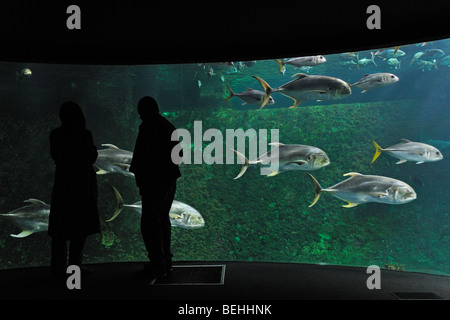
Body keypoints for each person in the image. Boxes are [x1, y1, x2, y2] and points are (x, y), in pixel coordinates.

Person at [129, 96, 182, 283]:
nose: (140, 116)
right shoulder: (169, 126)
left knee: (150, 224)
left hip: (153, 182)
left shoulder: (147, 127)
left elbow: (140, 157)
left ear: (144, 111)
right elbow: (179, 155)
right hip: (169, 180)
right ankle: (166, 261)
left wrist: (142, 177)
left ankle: (158, 264)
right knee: (163, 220)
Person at [49, 101, 100, 276]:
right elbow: (92, 157)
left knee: (60, 228)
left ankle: (57, 268)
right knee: (80, 227)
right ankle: (74, 269)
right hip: (82, 184)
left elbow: (55, 156)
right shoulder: (85, 134)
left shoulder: (55, 135)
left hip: (63, 184)